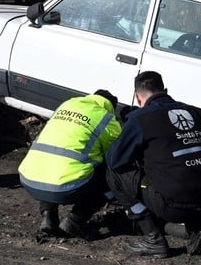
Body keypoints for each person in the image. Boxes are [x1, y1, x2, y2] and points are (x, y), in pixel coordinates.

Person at [106, 71, 201, 257]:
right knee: (183, 172)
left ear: (137, 97)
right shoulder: (198, 113)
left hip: (174, 206)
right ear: (165, 90)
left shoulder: (140, 119)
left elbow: (116, 160)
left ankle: (153, 238)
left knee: (114, 173)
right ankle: (200, 228)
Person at [18, 90, 123, 238]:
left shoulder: (67, 105)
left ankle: (48, 216)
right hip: (65, 187)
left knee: (52, 164)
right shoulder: (105, 118)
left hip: (29, 179)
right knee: (112, 177)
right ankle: (74, 221)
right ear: (110, 106)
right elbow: (117, 154)